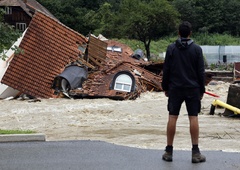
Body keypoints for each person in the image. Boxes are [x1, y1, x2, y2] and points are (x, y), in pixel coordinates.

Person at [161, 21, 206, 163]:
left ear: (178, 33)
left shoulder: (171, 49)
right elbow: (201, 72)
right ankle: (195, 152)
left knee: (172, 117)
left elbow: (166, 70)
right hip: (193, 89)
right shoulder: (197, 50)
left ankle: (169, 151)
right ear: (190, 33)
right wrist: (202, 90)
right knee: (193, 117)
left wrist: (165, 87)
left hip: (175, 88)